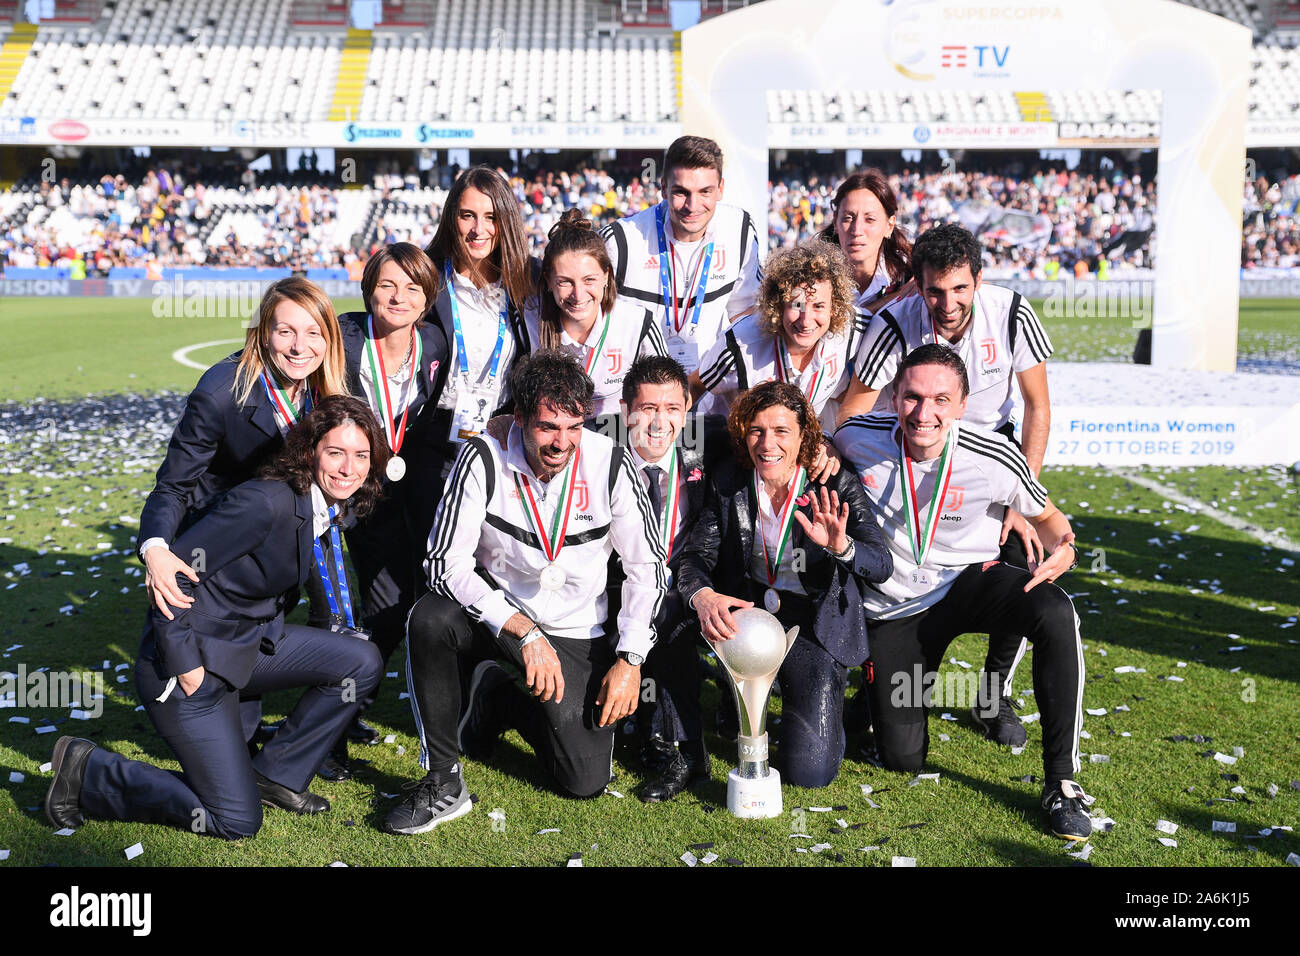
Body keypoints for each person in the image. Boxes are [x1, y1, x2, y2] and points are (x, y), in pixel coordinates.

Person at [44, 397, 386, 840]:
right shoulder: (264, 502)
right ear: (309, 452)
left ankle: (276, 775)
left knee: (361, 661)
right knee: (235, 821)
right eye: (335, 452)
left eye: (361, 455)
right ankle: (88, 770)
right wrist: (187, 666)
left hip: (242, 648)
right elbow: (173, 576)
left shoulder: (328, 506)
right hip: (187, 669)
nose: (348, 468)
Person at [384, 350, 666, 835]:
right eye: (547, 428)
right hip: (500, 622)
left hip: (578, 629)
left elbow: (648, 567)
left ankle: (497, 698)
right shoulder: (483, 455)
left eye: (573, 427)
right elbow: (442, 562)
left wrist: (630, 660)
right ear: (517, 419)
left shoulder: (612, 461)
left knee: (583, 781)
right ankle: (443, 782)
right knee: (430, 618)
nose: (562, 442)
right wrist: (523, 632)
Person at [835, 345, 1090, 840]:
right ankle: (871, 701)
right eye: (911, 397)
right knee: (902, 758)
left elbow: (1053, 521)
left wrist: (1068, 550)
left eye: (939, 399)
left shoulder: (996, 456)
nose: (923, 413)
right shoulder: (855, 439)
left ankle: (1062, 781)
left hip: (968, 584)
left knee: (1055, 610)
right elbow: (818, 451)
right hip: (895, 606)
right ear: (893, 395)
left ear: (961, 404)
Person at [835, 223, 1055, 747]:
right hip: (912, 452)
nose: (947, 302)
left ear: (978, 280)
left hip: (991, 460)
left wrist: (1019, 498)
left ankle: (993, 692)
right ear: (917, 282)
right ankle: (874, 675)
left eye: (959, 288)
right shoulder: (893, 322)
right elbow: (853, 412)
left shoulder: (1012, 312)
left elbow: (1037, 408)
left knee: (1026, 558)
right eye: (934, 290)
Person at [674, 381, 892, 789]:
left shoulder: (833, 482)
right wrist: (702, 595)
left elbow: (881, 563)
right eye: (756, 430)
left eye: (781, 431)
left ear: (805, 436)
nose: (767, 443)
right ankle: (730, 691)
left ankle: (817, 703)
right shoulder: (730, 481)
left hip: (813, 621)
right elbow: (694, 557)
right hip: (749, 612)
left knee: (809, 774)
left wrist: (842, 548)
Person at [327, 242, 450, 778]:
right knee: (335, 607)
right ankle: (325, 729)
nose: (399, 297)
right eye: (387, 285)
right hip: (340, 494)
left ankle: (343, 710)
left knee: (391, 603)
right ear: (368, 289)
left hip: (402, 496)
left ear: (428, 298)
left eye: (413, 288)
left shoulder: (434, 343)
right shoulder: (343, 338)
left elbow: (423, 425)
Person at [601, 135, 762, 415]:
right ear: (663, 187)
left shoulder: (740, 230)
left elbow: (745, 317)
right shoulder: (620, 240)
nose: (692, 205)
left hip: (705, 400)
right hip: (637, 406)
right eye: (681, 192)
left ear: (721, 189)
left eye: (705, 192)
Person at [421, 165, 538, 534]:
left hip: (500, 434)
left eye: (491, 217)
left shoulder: (528, 279)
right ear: (451, 216)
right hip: (431, 436)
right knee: (427, 550)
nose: (478, 229)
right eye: (467, 215)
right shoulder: (425, 276)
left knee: (487, 552)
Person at [692, 240, 865, 432]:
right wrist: (692, 455)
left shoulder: (849, 332)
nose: (806, 320)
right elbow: (694, 387)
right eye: (796, 305)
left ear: (835, 308)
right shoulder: (741, 343)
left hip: (785, 447)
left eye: (818, 306)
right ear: (778, 304)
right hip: (729, 443)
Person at [524, 210, 666, 425]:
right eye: (565, 282)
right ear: (549, 281)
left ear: (606, 276)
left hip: (618, 439)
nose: (578, 294)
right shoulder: (528, 321)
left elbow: (665, 396)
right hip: (554, 440)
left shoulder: (638, 324)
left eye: (589, 279)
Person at [818, 168, 914, 313]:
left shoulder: (911, 273)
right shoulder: (813, 276)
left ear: (889, 226)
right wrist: (897, 298)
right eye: (848, 218)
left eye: (870, 219)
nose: (856, 230)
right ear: (836, 222)